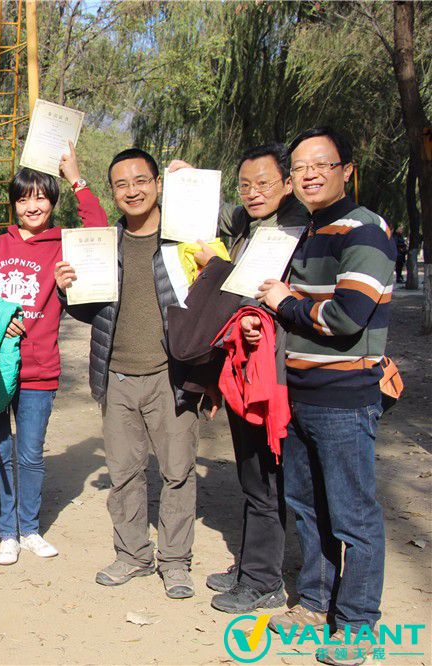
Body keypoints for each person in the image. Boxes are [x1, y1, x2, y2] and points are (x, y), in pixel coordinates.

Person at [256, 127, 395, 666]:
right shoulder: (307, 230)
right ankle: (314, 605)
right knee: (307, 508)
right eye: (300, 168)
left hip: (344, 397)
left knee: (353, 516)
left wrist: (285, 302)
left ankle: (357, 625)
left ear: (346, 170)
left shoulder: (365, 231)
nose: (310, 174)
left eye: (322, 164)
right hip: (300, 393)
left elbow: (347, 316)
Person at [58, 148, 210, 600]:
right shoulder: (104, 245)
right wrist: (67, 289)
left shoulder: (184, 240)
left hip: (171, 375)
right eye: (121, 184)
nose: (132, 191)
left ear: (158, 184)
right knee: (124, 472)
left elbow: (220, 251)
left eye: (141, 180)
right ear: (113, 192)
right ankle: (132, 555)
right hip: (117, 375)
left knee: (177, 472)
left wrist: (194, 182)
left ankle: (175, 562)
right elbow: (92, 311)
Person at [167, 143, 309, 614]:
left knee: (265, 477)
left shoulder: (295, 230)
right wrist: (191, 178)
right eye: (246, 184)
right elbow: (219, 214)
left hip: (273, 372)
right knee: (252, 474)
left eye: (264, 183)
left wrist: (222, 274)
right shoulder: (252, 223)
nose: (253, 192)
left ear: (287, 183)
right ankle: (252, 564)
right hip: (244, 366)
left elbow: (271, 295)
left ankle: (263, 580)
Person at [0, 143, 108, 565]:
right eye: (24, 199)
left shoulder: (64, 244)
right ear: (13, 203)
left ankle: (28, 528)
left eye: (41, 197)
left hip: (40, 369)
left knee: (31, 454)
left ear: (52, 201)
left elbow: (99, 229)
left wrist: (76, 177)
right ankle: (6, 532)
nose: (33, 206)